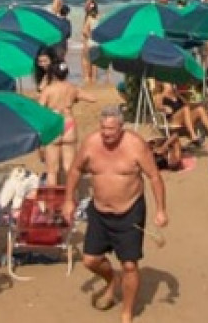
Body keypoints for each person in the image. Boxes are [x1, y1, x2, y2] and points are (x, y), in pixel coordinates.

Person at [62, 105, 167, 323]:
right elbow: (74, 170)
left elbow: (154, 177)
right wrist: (68, 200)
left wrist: (161, 210)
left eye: (111, 129)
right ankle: (112, 279)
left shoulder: (135, 145)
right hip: (99, 210)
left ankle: (126, 313)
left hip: (130, 211)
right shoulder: (91, 143)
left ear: (121, 127)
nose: (107, 134)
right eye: (103, 129)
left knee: (129, 264)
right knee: (90, 260)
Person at [37, 62, 92, 186]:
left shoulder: (49, 90)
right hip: (68, 123)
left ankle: (53, 203)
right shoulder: (72, 88)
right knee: (69, 168)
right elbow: (92, 98)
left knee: (52, 171)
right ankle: (71, 198)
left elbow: (39, 110)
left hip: (53, 123)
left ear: (53, 75)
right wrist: (76, 97)